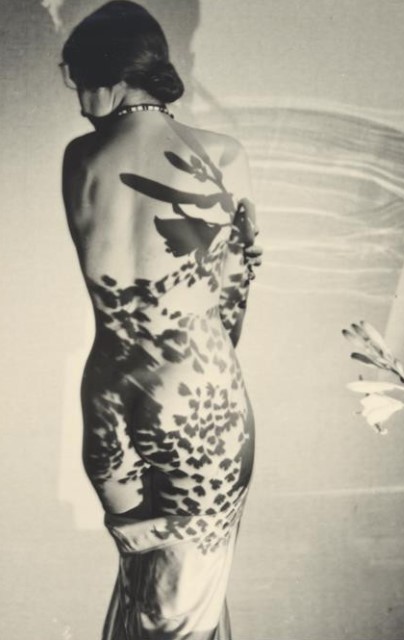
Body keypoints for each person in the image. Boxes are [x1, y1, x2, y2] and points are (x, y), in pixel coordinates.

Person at [61, 2, 261, 638]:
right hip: (195, 404)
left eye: (78, 78)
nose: (78, 99)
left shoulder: (79, 159)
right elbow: (230, 308)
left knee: (142, 595)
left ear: (112, 75)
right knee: (184, 612)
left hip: (108, 404)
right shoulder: (222, 154)